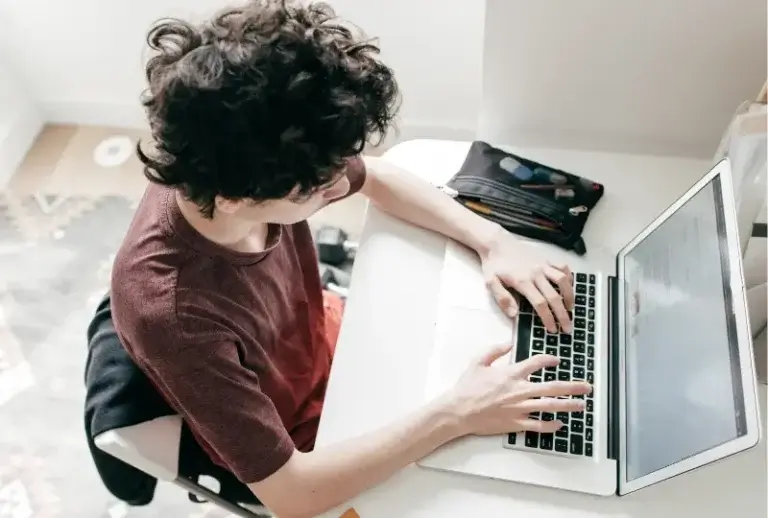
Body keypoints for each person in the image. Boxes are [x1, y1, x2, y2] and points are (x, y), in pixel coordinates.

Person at [110, 1, 591, 516]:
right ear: (235, 198)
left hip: (326, 341)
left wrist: (494, 240)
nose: (341, 184)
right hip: (305, 442)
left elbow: (378, 176)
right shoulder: (174, 314)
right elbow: (292, 493)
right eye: (319, 188)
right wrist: (457, 413)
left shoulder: (240, 162)